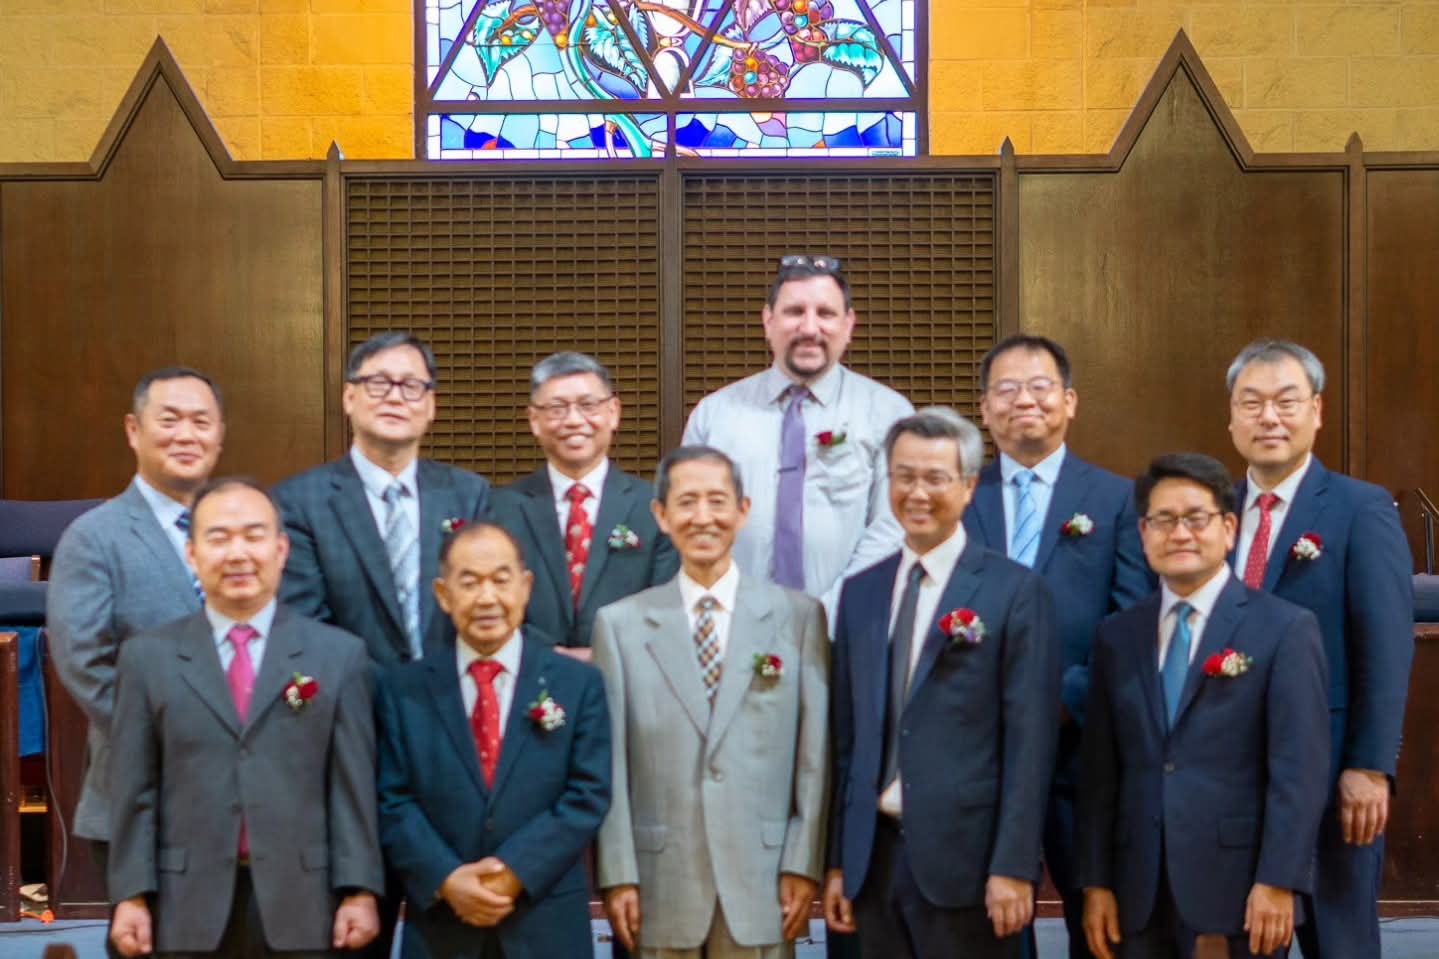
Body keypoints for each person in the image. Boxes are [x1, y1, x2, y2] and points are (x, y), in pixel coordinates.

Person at [107, 478, 383, 958]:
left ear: (281, 550)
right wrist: (130, 895)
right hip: (183, 902)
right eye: (219, 538)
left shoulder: (338, 656)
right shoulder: (146, 659)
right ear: (192, 554)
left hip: (304, 900)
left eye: (254, 536)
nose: (238, 554)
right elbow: (135, 789)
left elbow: (352, 788)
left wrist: (359, 889)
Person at [824, 408, 1060, 958]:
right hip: (872, 862)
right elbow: (846, 740)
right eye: (904, 476)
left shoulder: (1014, 591)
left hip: (970, 864)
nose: (917, 493)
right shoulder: (860, 591)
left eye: (935, 477)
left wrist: (1014, 864)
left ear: (969, 486)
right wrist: (837, 861)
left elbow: (1030, 742)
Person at [1077, 452, 1330, 959]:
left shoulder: (1283, 629)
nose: (1180, 534)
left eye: (1196, 518)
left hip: (1240, 889)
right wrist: (1096, 882)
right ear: (1143, 532)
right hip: (1136, 887)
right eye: (1163, 520)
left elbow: (1299, 772)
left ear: (1229, 528)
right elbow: (1101, 773)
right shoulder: (1117, 635)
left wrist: (1279, 880)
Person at [593, 446, 829, 958]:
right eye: (687, 502)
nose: (703, 517)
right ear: (661, 515)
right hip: (659, 880)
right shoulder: (620, 625)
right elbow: (611, 764)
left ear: (743, 511)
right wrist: (618, 873)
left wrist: (803, 861)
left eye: (717, 501)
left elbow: (814, 759)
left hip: (765, 876)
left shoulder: (797, 617)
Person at [1225, 339, 1414, 958]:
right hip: (1232, 777)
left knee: (1339, 940)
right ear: (1231, 417)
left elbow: (1386, 646)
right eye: (1251, 403)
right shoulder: (1213, 512)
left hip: (1334, 775)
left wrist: (1370, 765)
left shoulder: (1360, 508)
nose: (1269, 418)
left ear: (1317, 411)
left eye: (1286, 402)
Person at [967, 335, 1151, 957]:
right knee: (991, 925)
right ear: (985, 409)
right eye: (1007, 389)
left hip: (1083, 749)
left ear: (1069, 401)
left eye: (1040, 386)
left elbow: (1131, 622)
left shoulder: (1118, 500)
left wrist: (1059, 701)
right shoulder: (959, 497)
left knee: (1100, 924)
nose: (1025, 400)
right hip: (982, 748)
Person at [374, 522, 611, 958]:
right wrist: (447, 878)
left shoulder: (578, 684)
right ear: (443, 594)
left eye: (501, 580)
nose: (487, 598)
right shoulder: (403, 690)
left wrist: (515, 870)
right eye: (470, 583)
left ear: (525, 587)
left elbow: (588, 794)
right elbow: (393, 800)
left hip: (546, 923)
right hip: (442, 927)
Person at [49, 367, 225, 857]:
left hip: (249, 804)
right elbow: (85, 663)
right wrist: (177, 738)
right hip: (144, 796)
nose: (186, 435)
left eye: (201, 421)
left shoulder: (246, 529)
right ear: (133, 430)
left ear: (219, 434)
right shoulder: (94, 537)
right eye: (169, 420)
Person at [681, 255, 913, 615]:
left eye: (826, 313)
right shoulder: (714, 416)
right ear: (768, 320)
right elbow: (691, 523)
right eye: (794, 312)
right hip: (736, 623)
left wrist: (830, 613)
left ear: (849, 324)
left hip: (851, 622)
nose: (809, 328)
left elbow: (893, 526)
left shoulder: (889, 414)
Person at [276, 332, 492, 664]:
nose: (395, 397)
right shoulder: (298, 502)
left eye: (411, 386)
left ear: (431, 406)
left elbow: (485, 604)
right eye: (378, 384)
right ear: (349, 398)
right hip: (349, 690)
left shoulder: (469, 494)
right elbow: (306, 626)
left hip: (453, 688)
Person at [493, 352, 677, 658]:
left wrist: (602, 657)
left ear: (613, 413)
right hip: (530, 671)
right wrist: (550, 657)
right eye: (557, 408)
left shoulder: (655, 509)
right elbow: (490, 603)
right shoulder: (500, 509)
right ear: (534, 420)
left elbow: (666, 607)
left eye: (588, 406)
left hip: (628, 673)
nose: (574, 420)